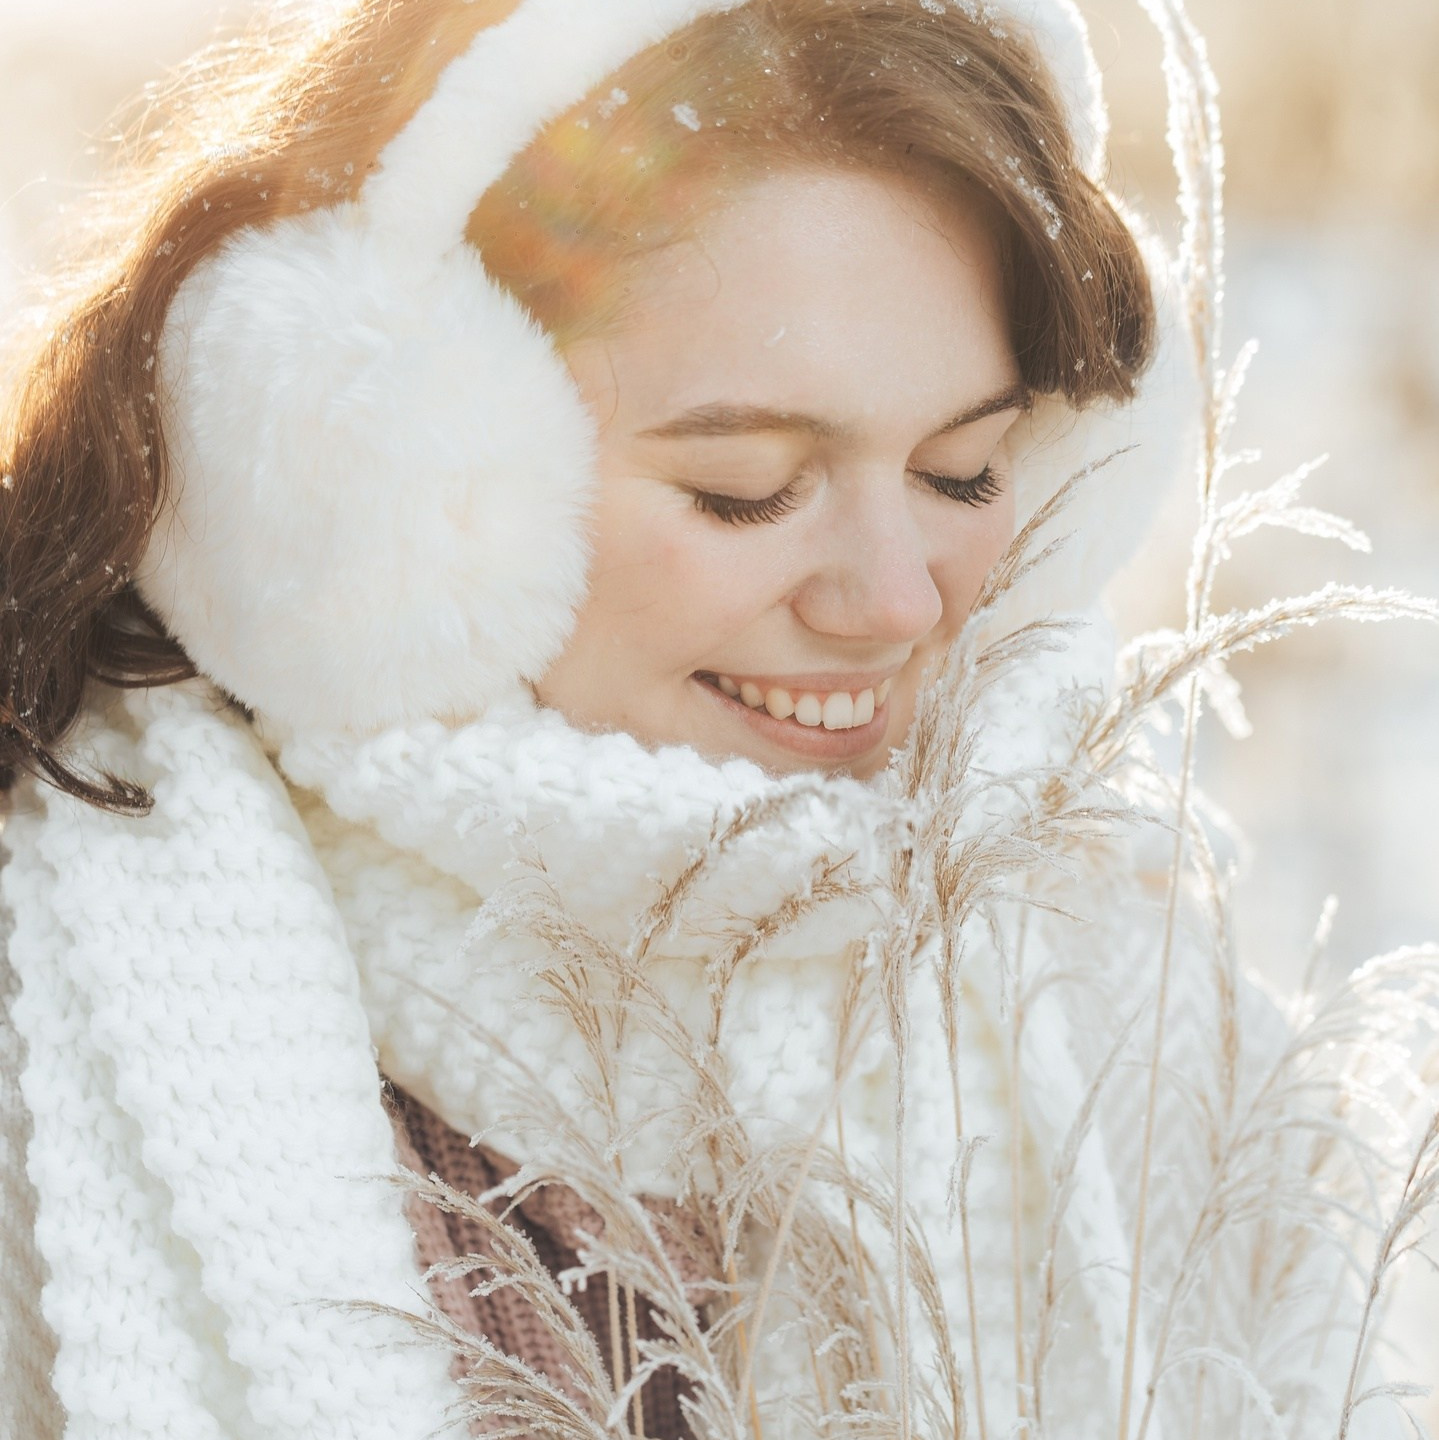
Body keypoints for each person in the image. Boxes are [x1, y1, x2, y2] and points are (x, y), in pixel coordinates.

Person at [0, 1, 1423, 1437]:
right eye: (750, 486)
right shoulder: (56, 1027)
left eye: (966, 471)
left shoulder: (1112, 987)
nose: (890, 603)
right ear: (383, 467)